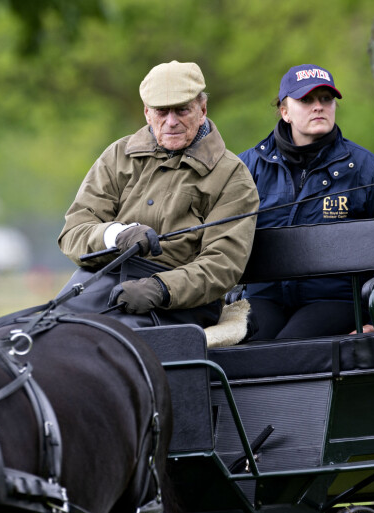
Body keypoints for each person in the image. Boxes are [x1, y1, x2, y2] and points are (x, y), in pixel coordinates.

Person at [56, 60, 259, 329]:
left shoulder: (233, 176)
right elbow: (73, 233)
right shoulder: (118, 155)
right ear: (147, 113)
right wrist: (116, 235)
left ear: (202, 109)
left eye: (182, 110)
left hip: (182, 304)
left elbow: (222, 265)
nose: (171, 122)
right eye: (162, 112)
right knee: (37, 334)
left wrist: (160, 288)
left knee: (105, 343)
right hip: (101, 280)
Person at [237, 64, 374, 340]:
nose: (319, 107)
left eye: (326, 99)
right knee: (249, 346)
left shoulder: (367, 169)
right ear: (284, 111)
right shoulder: (245, 168)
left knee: (290, 347)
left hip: (334, 300)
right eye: (306, 100)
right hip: (264, 297)